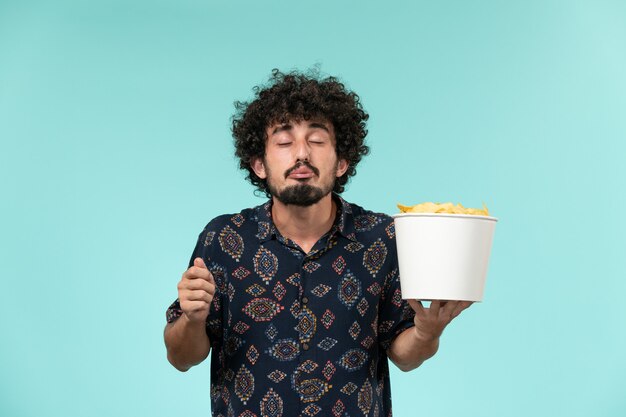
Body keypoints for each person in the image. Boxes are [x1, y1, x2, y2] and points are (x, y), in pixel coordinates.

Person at [164, 69, 472, 417]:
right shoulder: (223, 239)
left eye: (317, 140)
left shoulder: (383, 237)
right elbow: (181, 357)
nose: (301, 153)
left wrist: (428, 333)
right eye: (283, 142)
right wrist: (191, 319)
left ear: (341, 162)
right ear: (259, 164)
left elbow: (403, 355)